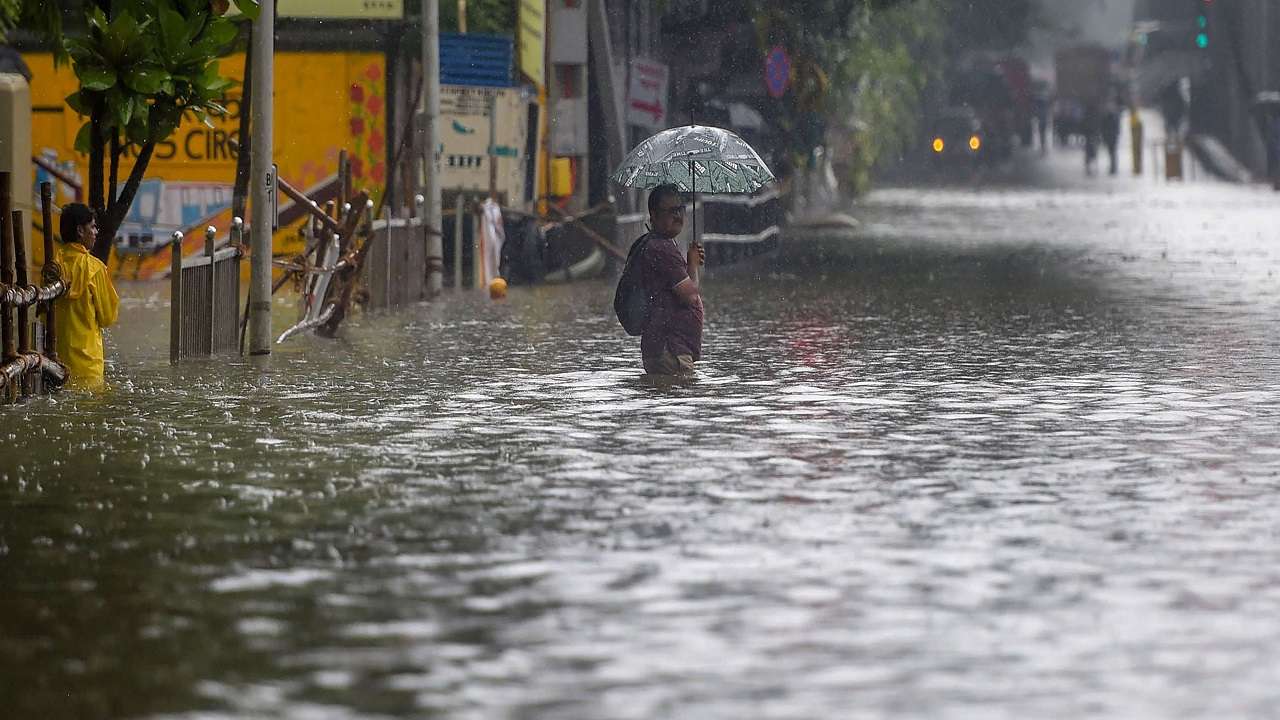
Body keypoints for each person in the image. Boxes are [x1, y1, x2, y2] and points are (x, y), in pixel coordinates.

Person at [637, 184, 704, 376]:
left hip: (664, 349)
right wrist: (692, 265)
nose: (678, 216)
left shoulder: (659, 245)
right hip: (670, 351)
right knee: (681, 402)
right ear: (654, 215)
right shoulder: (662, 249)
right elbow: (690, 296)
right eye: (671, 211)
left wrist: (691, 262)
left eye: (680, 209)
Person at [53, 204, 119, 388]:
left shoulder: (53, 268)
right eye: (92, 226)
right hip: (89, 369)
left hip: (55, 367)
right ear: (80, 231)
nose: (96, 232)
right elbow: (108, 317)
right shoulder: (95, 268)